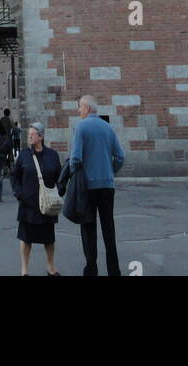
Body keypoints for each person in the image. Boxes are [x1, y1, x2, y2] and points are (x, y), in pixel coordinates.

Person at [68, 94, 125, 277]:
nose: (78, 111)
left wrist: (72, 172)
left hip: (88, 187)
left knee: (88, 228)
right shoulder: (108, 127)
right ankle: (114, 270)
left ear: (87, 108)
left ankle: (91, 269)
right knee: (109, 228)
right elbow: (120, 156)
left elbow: (76, 158)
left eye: (79, 107)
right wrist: (110, 170)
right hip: (107, 186)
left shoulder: (81, 127)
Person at [10, 121, 62, 276]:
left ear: (41, 136)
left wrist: (57, 193)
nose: (30, 137)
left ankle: (51, 268)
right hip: (28, 203)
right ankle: (24, 270)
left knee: (49, 239)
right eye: (29, 135)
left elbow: (60, 178)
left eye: (32, 135)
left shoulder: (52, 155)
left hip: (47, 205)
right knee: (26, 239)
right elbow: (14, 176)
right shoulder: (24, 155)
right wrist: (20, 194)